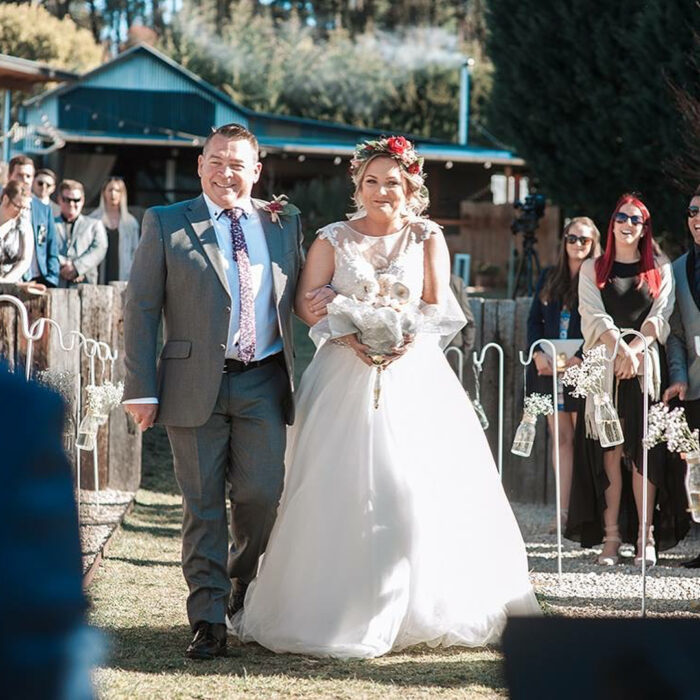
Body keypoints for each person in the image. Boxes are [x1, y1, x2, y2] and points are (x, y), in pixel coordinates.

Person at [232, 136, 540, 659]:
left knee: (416, 482)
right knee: (338, 482)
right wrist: (347, 328)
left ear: (410, 186)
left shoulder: (427, 237)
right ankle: (332, 605)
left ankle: (422, 601)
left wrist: (402, 334)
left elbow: (437, 305)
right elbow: (307, 306)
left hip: (412, 374)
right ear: (358, 185)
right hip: (343, 373)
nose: (381, 191)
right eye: (371, 181)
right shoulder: (332, 237)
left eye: (392, 182)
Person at [122, 123, 333, 660]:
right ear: (200, 165)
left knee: (261, 497)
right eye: (216, 161)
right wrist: (140, 388)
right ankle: (208, 618)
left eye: (237, 163)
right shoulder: (166, 222)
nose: (225, 172)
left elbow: (308, 295)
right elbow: (142, 309)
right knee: (202, 506)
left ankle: (242, 582)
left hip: (263, 379)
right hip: (193, 385)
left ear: (256, 171)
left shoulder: (283, 222)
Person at [567, 193, 689, 567]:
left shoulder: (660, 267)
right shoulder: (592, 269)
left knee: (644, 454)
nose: (628, 224)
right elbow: (592, 314)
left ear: (644, 227)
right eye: (622, 216)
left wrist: (634, 351)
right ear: (612, 222)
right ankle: (611, 537)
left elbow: (661, 316)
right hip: (604, 368)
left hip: (646, 370)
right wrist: (619, 348)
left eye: (636, 219)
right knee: (610, 452)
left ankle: (644, 536)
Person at [526, 217, 601, 531]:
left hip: (581, 370)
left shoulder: (598, 278)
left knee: (584, 441)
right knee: (560, 440)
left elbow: (601, 323)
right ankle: (563, 513)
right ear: (564, 241)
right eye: (572, 238)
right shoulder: (548, 275)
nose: (577, 244)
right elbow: (534, 321)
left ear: (594, 243)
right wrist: (537, 352)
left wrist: (582, 357)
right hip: (548, 369)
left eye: (584, 239)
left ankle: (587, 515)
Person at [664, 184, 700, 569]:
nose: (697, 219)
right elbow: (674, 335)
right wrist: (678, 377)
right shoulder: (676, 269)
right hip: (693, 386)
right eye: (692, 212)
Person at [7, 155, 60, 288]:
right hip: (7, 277)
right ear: (9, 175)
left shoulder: (43, 209)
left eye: (29, 176)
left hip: (37, 278)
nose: (24, 180)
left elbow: (51, 245)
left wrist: (51, 278)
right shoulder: (3, 203)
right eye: (20, 175)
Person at [54, 179, 107, 287]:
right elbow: (43, 248)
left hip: (85, 286)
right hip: (56, 284)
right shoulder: (49, 224)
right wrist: (63, 264)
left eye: (76, 200)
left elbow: (100, 249)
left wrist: (77, 267)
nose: (72, 204)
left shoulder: (94, 225)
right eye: (67, 199)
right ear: (59, 200)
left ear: (82, 200)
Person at [91, 177, 140, 283]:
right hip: (98, 276)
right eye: (110, 190)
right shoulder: (93, 219)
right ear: (104, 192)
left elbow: (136, 253)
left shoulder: (131, 223)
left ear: (122, 194)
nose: (113, 194)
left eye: (117, 190)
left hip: (123, 276)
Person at [0, 180, 34, 283]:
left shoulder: (24, 225)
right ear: (6, 199)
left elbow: (25, 260)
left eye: (25, 208)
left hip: (12, 284)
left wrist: (6, 281)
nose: (21, 212)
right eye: (18, 206)